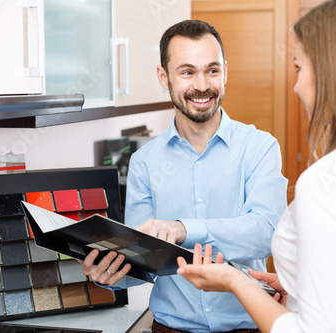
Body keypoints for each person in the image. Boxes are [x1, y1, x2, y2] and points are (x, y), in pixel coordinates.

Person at [176, 0, 336, 332]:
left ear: (333, 73)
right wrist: (302, 291)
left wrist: (234, 281)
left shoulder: (326, 185)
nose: (297, 86)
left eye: (299, 68)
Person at [80, 20, 288, 332]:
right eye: (187, 72)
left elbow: (266, 234)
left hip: (248, 327)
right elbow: (144, 260)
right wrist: (111, 276)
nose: (202, 85)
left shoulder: (259, 148)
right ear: (164, 77)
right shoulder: (144, 163)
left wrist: (182, 230)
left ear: (225, 72)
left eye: (212, 70)